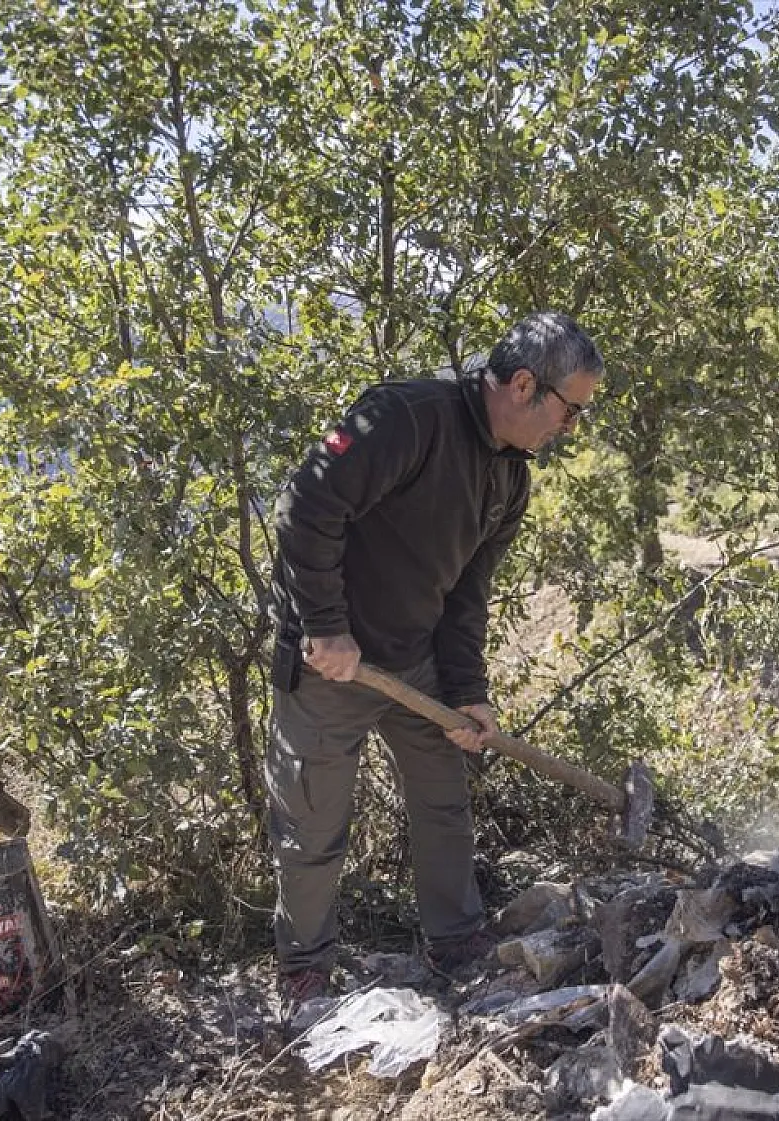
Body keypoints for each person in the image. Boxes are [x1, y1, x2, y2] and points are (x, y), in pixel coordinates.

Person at [265, 311, 603, 1024]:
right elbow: (305, 510)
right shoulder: (406, 417)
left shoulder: (511, 479)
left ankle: (454, 940)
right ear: (523, 385)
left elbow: (466, 596)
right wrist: (326, 627)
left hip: (413, 664)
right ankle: (304, 969)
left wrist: (469, 692)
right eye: (571, 412)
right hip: (333, 663)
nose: (570, 430)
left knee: (443, 798)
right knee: (314, 823)